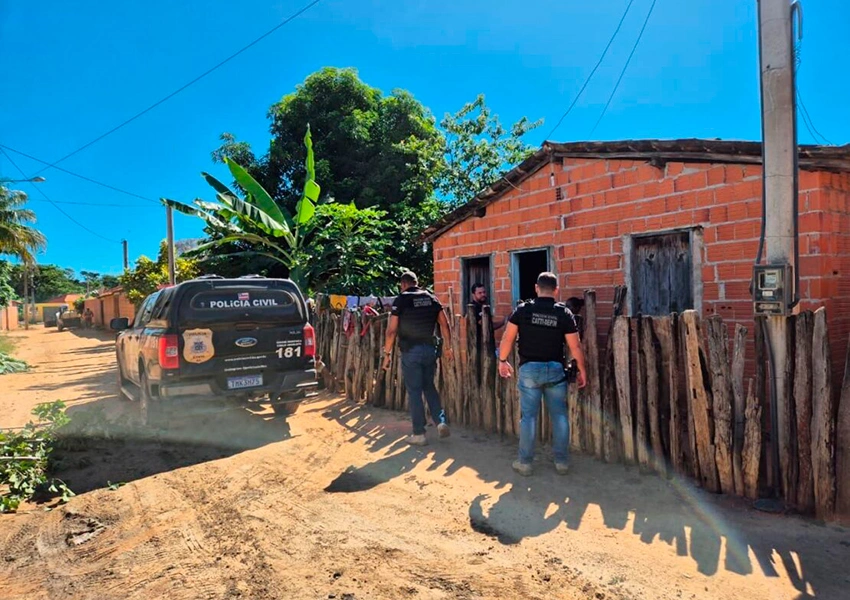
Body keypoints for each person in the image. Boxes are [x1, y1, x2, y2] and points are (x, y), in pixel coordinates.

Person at [497, 272, 587, 476]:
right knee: (560, 416)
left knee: (528, 417)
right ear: (556, 290)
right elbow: (576, 346)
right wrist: (582, 370)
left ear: (536, 288)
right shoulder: (564, 314)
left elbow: (507, 339)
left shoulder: (523, 310)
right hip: (555, 371)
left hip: (529, 371)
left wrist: (502, 361)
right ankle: (562, 462)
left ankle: (525, 462)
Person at [382, 271, 454, 446]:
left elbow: (391, 331)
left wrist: (387, 354)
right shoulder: (432, 298)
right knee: (429, 386)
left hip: (411, 351)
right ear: (417, 282)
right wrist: (448, 348)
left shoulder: (402, 300)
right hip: (430, 350)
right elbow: (445, 324)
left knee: (414, 391)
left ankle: (419, 433)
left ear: (403, 284)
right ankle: (440, 421)